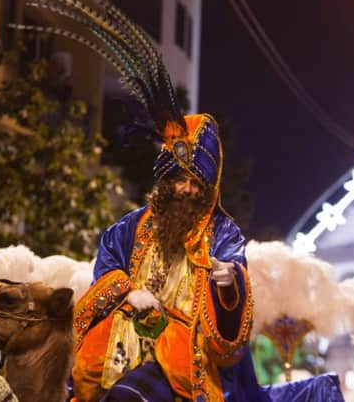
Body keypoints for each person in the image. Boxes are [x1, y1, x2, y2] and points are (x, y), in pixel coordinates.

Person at [72, 114, 267, 402]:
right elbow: (107, 268)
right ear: (166, 181)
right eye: (179, 180)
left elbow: (232, 297)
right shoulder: (128, 227)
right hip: (121, 338)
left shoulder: (224, 234)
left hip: (181, 350)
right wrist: (129, 292)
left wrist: (229, 283)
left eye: (196, 182)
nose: (187, 190)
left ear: (208, 189)